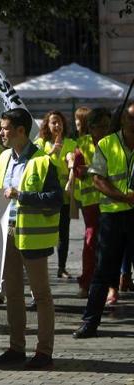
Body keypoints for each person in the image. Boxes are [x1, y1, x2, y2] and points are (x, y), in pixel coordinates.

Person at [0, 108, 62, 370]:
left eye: (6, 128)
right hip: (8, 234)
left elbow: (56, 200)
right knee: (13, 294)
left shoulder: (43, 161)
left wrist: (22, 196)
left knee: (41, 295)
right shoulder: (3, 158)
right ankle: (16, 348)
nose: (1, 132)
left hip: (33, 238)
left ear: (21, 131)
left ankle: (44, 352)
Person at [73, 103, 134, 339]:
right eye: (131, 118)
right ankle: (90, 323)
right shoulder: (108, 144)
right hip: (113, 217)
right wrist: (123, 197)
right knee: (103, 272)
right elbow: (97, 179)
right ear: (123, 121)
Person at [71, 107, 108, 299]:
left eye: (107, 127)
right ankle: (86, 282)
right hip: (91, 201)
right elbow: (77, 170)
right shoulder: (82, 142)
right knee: (91, 240)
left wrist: (90, 169)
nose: (104, 130)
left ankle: (113, 284)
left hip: (112, 199)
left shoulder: (113, 142)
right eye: (100, 126)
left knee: (112, 242)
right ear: (91, 127)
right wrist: (93, 169)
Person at [34, 111, 76, 279]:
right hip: (45, 195)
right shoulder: (40, 144)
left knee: (63, 233)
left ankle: (62, 267)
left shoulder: (71, 143)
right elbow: (35, 164)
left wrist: (69, 183)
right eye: (53, 122)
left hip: (63, 195)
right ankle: (42, 268)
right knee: (43, 232)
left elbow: (73, 165)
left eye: (59, 122)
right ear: (47, 125)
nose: (57, 125)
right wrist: (51, 151)